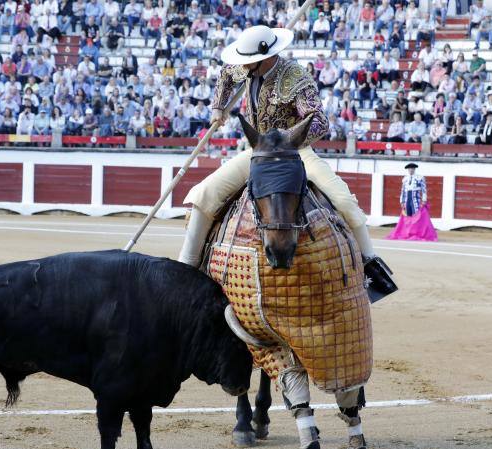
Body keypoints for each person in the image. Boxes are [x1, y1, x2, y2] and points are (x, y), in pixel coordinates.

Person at [180, 25, 378, 272]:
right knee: (204, 194)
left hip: (295, 153)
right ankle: (187, 266)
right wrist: (218, 107)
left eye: (250, 61)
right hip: (259, 153)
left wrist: (284, 139)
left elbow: (319, 121)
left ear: (266, 57)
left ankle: (371, 265)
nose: (244, 65)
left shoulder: (295, 76)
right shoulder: (245, 69)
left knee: (344, 201)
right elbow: (226, 75)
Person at [387, 162, 436, 241]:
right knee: (408, 217)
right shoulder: (405, 179)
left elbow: (424, 190)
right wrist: (401, 201)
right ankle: (408, 233)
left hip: (415, 199)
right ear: (408, 170)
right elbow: (403, 191)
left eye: (412, 169)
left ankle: (416, 233)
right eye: (409, 169)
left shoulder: (420, 178)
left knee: (416, 216)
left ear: (414, 169)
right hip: (407, 199)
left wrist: (424, 200)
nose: (410, 170)